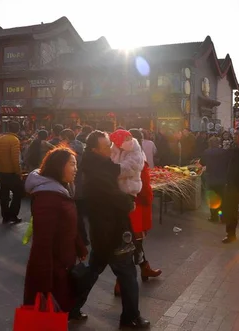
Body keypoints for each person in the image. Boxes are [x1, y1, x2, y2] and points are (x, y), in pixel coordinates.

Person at [76, 131, 150, 329]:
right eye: (106, 146)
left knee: (93, 271)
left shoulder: (97, 164)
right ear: (94, 150)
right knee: (127, 276)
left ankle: (72, 308)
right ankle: (131, 318)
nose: (111, 148)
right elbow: (114, 198)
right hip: (113, 231)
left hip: (102, 232)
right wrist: (129, 202)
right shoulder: (98, 171)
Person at [23, 148, 88, 320]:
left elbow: (68, 224)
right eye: (72, 164)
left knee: (60, 312)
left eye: (76, 164)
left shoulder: (61, 189)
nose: (76, 169)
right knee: (50, 317)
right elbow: (42, 243)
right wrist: (44, 284)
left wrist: (79, 247)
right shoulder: (48, 198)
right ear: (59, 166)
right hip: (53, 271)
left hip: (63, 264)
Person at [113, 129, 161, 297]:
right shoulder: (128, 158)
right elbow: (142, 183)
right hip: (132, 204)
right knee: (130, 241)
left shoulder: (129, 156)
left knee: (135, 240)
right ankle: (123, 279)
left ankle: (144, 267)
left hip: (134, 203)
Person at [0, 121, 24, 224]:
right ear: (18, 129)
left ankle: (5, 216)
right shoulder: (14, 140)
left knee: (4, 195)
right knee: (18, 193)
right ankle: (13, 215)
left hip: (2, 171)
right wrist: (19, 172)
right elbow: (15, 159)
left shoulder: (0, 139)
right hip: (12, 172)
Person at [200, 136, 229, 222]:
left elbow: (202, 162)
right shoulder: (224, 152)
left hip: (211, 178)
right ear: (218, 143)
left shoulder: (206, 152)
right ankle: (223, 217)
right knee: (223, 199)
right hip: (222, 178)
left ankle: (214, 217)